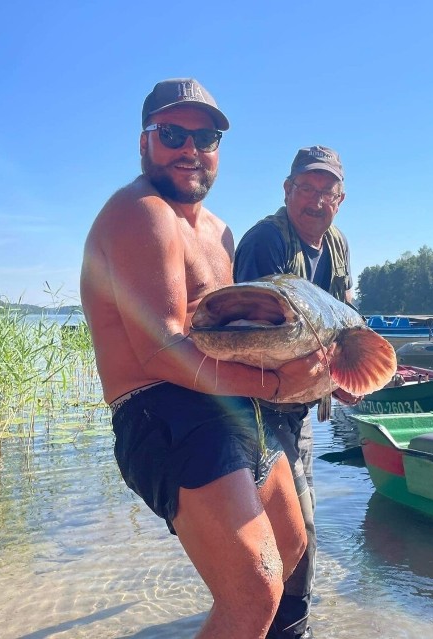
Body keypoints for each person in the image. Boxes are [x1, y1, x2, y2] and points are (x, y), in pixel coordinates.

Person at [80, 78, 333, 639]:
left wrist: (301, 366)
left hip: (231, 409)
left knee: (289, 548)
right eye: (172, 133)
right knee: (255, 587)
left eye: (207, 136)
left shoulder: (220, 233)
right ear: (143, 142)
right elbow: (162, 348)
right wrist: (276, 387)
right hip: (162, 411)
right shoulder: (141, 212)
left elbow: (243, 332)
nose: (190, 149)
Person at [233, 145, 357, 639]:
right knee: (297, 533)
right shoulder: (265, 241)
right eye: (305, 188)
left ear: (340, 200)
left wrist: (347, 374)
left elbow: (344, 317)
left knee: (291, 533)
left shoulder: (337, 245)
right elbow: (252, 334)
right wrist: (326, 373)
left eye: (326, 192)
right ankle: (289, 628)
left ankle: (271, 619)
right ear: (287, 190)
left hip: (301, 409)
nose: (315, 201)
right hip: (255, 407)